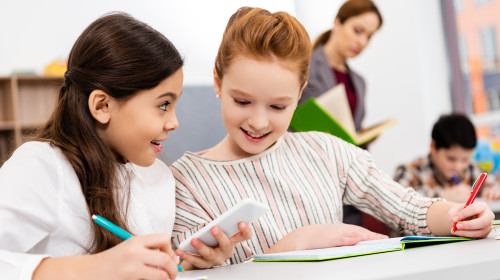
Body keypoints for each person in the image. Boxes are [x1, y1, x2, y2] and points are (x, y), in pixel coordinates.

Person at [170, 7, 495, 265]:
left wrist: (458, 217)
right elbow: (181, 269)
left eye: (278, 106)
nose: (258, 122)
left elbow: (408, 207)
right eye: (242, 101)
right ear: (217, 82)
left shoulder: (326, 151)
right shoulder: (185, 181)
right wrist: (292, 246)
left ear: (299, 94)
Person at [0, 12, 250, 280]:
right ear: (102, 106)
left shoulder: (158, 177)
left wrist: (186, 265)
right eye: (163, 105)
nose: (174, 122)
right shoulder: (41, 166)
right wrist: (94, 269)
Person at [299, 0, 383, 226]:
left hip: (347, 185)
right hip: (310, 180)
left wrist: (362, 137)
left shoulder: (359, 82)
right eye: (358, 31)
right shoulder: (302, 67)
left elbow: (349, 130)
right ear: (337, 23)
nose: (362, 42)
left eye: (369, 36)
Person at [394, 113, 500, 203]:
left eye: (465, 159)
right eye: (451, 159)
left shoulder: (470, 169)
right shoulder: (411, 171)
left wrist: (494, 190)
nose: (458, 166)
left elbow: (493, 183)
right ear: (433, 147)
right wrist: (441, 197)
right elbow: (395, 200)